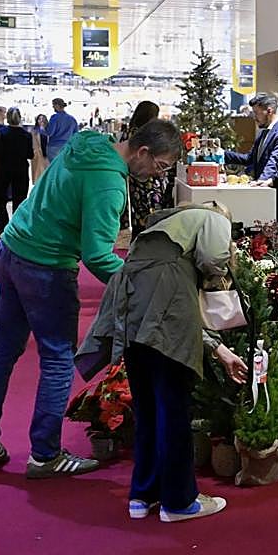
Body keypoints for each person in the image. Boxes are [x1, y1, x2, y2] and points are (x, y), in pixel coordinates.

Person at [0, 119, 183, 478]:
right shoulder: (109, 184)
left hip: (12, 249)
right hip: (47, 267)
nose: (157, 175)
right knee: (57, 359)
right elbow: (97, 254)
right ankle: (45, 455)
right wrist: (139, 287)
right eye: (158, 166)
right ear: (142, 151)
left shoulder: (88, 142)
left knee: (3, 345)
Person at [76, 203, 247, 522]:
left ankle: (142, 496)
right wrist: (222, 272)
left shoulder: (158, 234)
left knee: (147, 410)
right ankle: (179, 502)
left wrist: (218, 350)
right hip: (166, 322)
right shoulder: (213, 218)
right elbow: (213, 258)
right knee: (173, 409)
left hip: (130, 314)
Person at [122, 101, 171, 236]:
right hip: (143, 177)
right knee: (146, 207)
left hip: (134, 176)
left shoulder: (129, 131)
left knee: (138, 209)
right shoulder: (143, 135)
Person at [224, 93, 278, 183]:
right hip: (262, 187)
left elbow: (275, 161)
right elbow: (249, 159)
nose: (254, 117)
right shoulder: (263, 132)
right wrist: (222, 153)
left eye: (256, 113)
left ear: (269, 111)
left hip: (273, 190)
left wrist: (262, 180)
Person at [0, 107, 33, 231]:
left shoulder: (2, 133)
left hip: (4, 169)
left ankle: (3, 225)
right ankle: (17, 226)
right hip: (21, 169)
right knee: (20, 198)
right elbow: (30, 154)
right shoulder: (26, 134)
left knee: (0, 197)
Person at [30, 114, 49, 183]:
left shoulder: (49, 130)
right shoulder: (34, 131)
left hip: (47, 154)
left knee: (47, 175)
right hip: (38, 154)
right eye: (39, 119)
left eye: (43, 119)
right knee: (38, 175)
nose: (41, 120)